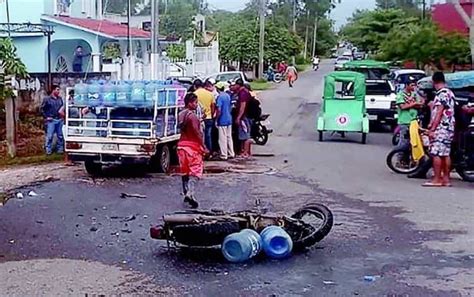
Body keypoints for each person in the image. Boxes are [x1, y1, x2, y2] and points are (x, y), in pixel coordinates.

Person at [423, 72, 456, 187]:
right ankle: (446, 179)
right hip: (450, 127)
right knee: (446, 153)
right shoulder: (450, 93)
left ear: (434, 81)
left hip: (441, 127)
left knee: (436, 152)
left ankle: (437, 179)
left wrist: (432, 128)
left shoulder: (441, 94)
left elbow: (439, 113)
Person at [177, 93, 209, 208]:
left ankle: (186, 192)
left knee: (185, 172)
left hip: (181, 147)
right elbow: (197, 132)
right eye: (195, 102)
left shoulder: (181, 114)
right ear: (190, 103)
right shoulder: (192, 116)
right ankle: (190, 193)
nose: (196, 105)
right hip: (193, 148)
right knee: (194, 172)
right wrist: (203, 146)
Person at [396, 76, 424, 147]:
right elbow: (402, 106)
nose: (414, 87)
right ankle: (400, 156)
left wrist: (410, 104)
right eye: (412, 85)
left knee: (415, 141)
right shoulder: (400, 95)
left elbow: (420, 105)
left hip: (414, 121)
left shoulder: (415, 94)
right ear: (406, 85)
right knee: (404, 141)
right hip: (405, 121)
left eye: (414, 85)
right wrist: (414, 104)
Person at [41, 85, 65, 155]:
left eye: (59, 90)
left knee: (60, 135)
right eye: (57, 90)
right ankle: (48, 150)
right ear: (53, 90)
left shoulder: (60, 99)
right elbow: (41, 109)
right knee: (50, 136)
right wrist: (46, 117)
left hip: (59, 119)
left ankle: (60, 150)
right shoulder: (47, 99)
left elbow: (62, 108)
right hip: (51, 120)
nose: (58, 91)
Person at [193, 79, 215, 153]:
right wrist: (211, 114)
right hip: (209, 117)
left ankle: (201, 151)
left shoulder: (195, 94)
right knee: (208, 136)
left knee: (200, 136)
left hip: (199, 118)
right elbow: (213, 106)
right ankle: (209, 151)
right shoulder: (210, 94)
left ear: (195, 86)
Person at [215, 82, 235, 160]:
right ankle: (231, 153)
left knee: (222, 138)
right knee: (229, 137)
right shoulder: (227, 95)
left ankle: (224, 155)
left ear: (218, 89)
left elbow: (219, 110)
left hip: (222, 120)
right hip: (229, 119)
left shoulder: (220, 97)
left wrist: (217, 119)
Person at [233, 78, 253, 158]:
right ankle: (246, 151)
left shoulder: (243, 93)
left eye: (235, 85)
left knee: (245, 135)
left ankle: (245, 152)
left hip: (244, 117)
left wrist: (239, 117)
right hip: (246, 116)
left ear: (238, 85)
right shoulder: (244, 92)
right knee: (244, 134)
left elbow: (242, 106)